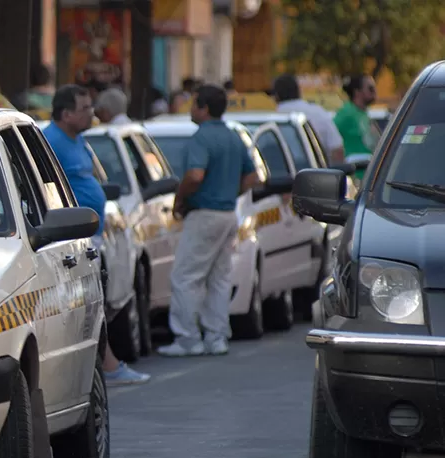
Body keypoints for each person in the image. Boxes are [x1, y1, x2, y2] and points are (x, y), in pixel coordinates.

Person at [42, 84, 150, 385]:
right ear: (66, 114)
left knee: (96, 303)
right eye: (85, 108)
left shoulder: (78, 141)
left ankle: (103, 366)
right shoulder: (51, 142)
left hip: (94, 236)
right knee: (91, 305)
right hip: (73, 238)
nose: (93, 112)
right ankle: (109, 366)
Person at [158, 85, 259, 358]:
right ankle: (217, 337)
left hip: (204, 213)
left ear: (203, 108)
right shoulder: (233, 137)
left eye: (193, 104)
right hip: (228, 213)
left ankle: (188, 339)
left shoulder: (201, 138)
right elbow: (253, 178)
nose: (191, 109)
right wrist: (229, 193)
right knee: (219, 278)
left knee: (185, 276)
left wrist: (180, 199)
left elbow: (194, 176)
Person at [272, 73, 344, 165]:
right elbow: (337, 149)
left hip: (282, 176)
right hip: (319, 174)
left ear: (276, 96)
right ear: (299, 91)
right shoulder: (318, 112)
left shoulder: (274, 119)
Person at [333, 74, 379, 159]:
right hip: (354, 170)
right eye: (370, 88)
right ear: (357, 92)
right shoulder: (346, 113)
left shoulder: (363, 113)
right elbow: (331, 140)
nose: (375, 91)